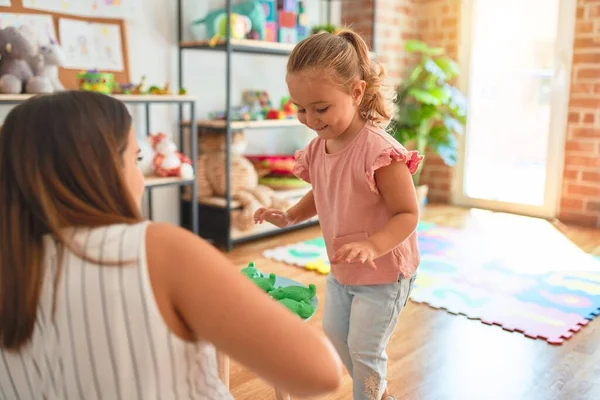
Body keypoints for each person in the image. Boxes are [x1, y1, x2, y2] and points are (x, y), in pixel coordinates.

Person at [0, 90, 342, 400]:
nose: (141, 178)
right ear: (100, 171)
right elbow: (321, 372)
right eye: (135, 160)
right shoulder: (158, 249)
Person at [254, 29, 422, 400]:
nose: (310, 119)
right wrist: (289, 216)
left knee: (364, 349)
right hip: (343, 268)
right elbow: (323, 190)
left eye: (321, 107)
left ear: (356, 93)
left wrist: (373, 245)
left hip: (384, 273)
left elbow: (408, 213)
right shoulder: (319, 147)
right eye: (300, 108)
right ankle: (375, 390)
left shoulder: (380, 151)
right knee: (335, 335)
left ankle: (371, 395)